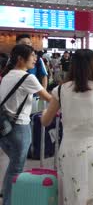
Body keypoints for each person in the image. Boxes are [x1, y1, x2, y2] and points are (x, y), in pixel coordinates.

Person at [41, 49, 93, 205]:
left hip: (70, 147)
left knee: (73, 188)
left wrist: (45, 111)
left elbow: (45, 121)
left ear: (73, 66)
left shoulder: (60, 90)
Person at [0, 45, 52, 205]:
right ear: (21, 59)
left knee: (13, 166)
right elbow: (47, 98)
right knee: (16, 167)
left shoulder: (7, 75)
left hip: (4, 127)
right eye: (32, 56)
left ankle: (8, 197)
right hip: (19, 127)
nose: (35, 59)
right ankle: (8, 201)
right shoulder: (27, 77)